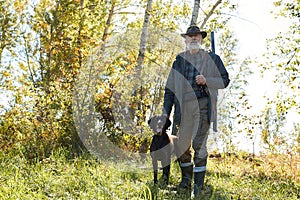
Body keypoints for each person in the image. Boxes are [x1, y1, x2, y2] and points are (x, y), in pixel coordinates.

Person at [162, 25, 230, 196]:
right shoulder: (179, 60)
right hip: (182, 108)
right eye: (190, 36)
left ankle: (197, 188)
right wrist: (165, 113)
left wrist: (207, 80)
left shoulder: (212, 58)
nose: (193, 38)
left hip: (202, 105)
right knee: (181, 145)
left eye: (196, 36)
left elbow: (224, 80)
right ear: (185, 40)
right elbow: (169, 89)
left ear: (201, 39)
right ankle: (186, 181)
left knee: (199, 146)